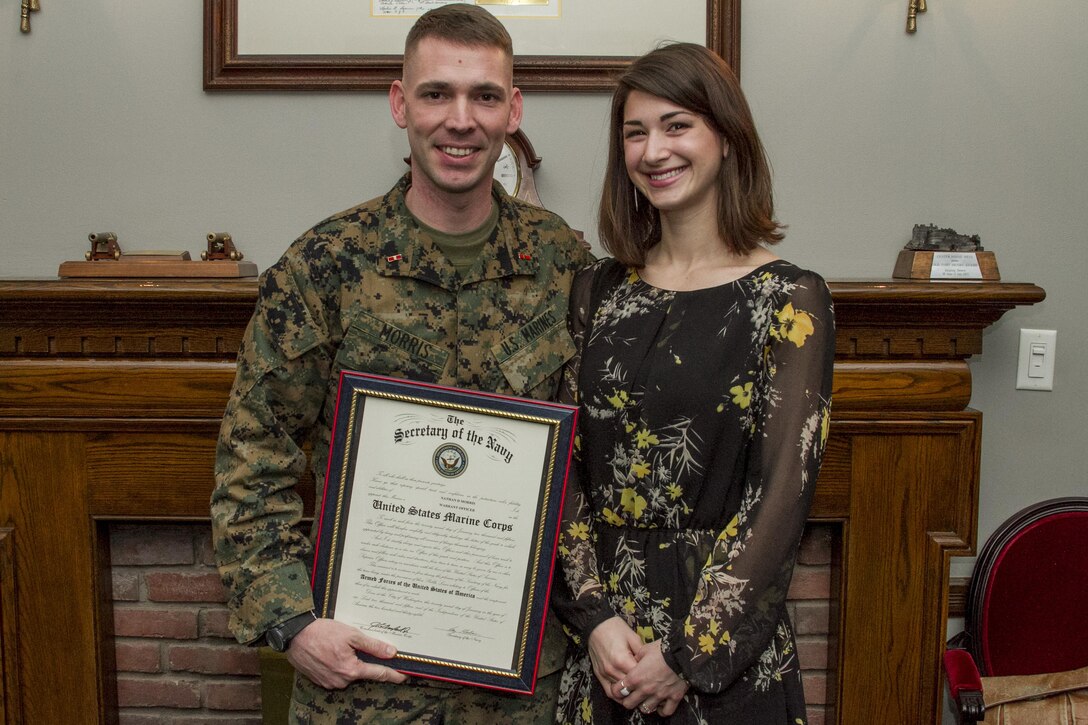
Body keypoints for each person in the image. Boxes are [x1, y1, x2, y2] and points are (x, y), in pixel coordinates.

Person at [210, 4, 593, 723]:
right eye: (436, 93)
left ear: (513, 110)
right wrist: (291, 619)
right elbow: (251, 455)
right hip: (361, 686)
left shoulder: (563, 265)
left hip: (522, 686)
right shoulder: (323, 266)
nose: (460, 119)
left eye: (484, 95)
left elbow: (594, 462)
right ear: (399, 104)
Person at [551, 42, 835, 724]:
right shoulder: (596, 291)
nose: (654, 151)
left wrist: (684, 654)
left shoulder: (790, 298)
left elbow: (779, 501)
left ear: (728, 138)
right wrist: (593, 618)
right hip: (605, 651)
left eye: (677, 125)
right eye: (635, 132)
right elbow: (565, 470)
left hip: (721, 659)